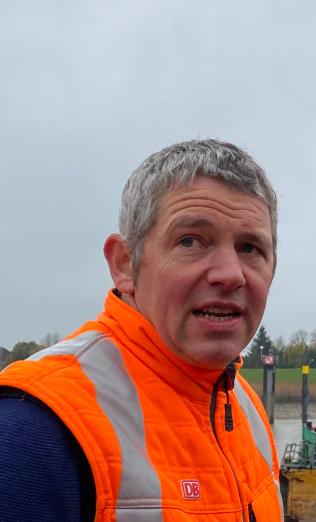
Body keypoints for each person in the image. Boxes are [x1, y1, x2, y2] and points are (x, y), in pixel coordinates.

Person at [0, 139, 284, 521]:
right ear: (125, 265)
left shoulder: (245, 409)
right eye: (191, 241)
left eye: (249, 248)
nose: (230, 275)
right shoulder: (35, 430)